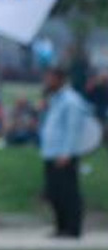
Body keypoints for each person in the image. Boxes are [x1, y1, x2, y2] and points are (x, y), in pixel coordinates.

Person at [39, 67, 92, 238]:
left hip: (64, 154)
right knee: (55, 193)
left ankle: (72, 228)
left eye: (50, 79)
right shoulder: (55, 100)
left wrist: (66, 153)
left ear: (60, 79)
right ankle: (61, 227)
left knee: (68, 193)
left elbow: (72, 130)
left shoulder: (71, 101)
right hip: (51, 152)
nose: (47, 82)